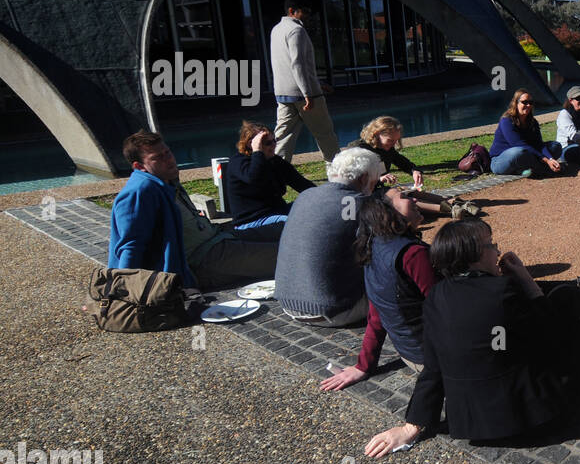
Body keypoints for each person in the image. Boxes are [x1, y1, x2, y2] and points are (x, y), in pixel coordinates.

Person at [365, 220, 580, 454]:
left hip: (474, 424)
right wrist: (524, 279)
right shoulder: (502, 291)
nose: (497, 250)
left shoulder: (436, 297)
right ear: (474, 255)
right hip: (534, 419)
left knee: (566, 298)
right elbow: (555, 337)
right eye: (491, 245)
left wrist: (412, 426)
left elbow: (434, 367)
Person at [109, 131, 283, 292]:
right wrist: (120, 292)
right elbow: (130, 246)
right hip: (204, 260)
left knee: (283, 228)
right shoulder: (139, 191)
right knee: (290, 255)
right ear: (139, 166)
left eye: (167, 153)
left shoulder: (166, 180)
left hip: (220, 238)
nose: (168, 160)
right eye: (157, 158)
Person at [320, 192, 434, 391]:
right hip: (434, 359)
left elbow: (377, 310)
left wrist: (363, 365)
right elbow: (447, 308)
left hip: (411, 354)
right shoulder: (413, 254)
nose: (415, 199)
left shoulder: (373, 244)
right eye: (405, 196)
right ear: (387, 210)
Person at [274, 147, 384, 327]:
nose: (373, 189)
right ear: (363, 178)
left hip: (288, 304)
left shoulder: (305, 196)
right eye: (373, 183)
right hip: (334, 310)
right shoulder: (361, 203)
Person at [349, 115, 480, 219]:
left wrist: (414, 170)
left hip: (379, 190)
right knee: (402, 198)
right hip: (364, 197)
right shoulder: (358, 150)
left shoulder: (386, 148)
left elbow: (401, 161)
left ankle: (453, 202)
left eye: (396, 141)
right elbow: (352, 179)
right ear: (376, 134)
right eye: (390, 140)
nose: (393, 144)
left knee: (410, 190)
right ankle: (451, 210)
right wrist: (379, 179)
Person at [272, 0, 339, 164]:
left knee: (283, 138)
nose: (308, 15)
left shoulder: (276, 29)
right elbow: (298, 63)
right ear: (292, 11)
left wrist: (319, 83)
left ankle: (276, 171)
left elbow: (284, 63)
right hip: (305, 95)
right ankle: (338, 171)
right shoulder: (296, 31)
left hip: (283, 93)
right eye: (305, 11)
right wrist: (308, 92)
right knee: (325, 133)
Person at [224, 121, 315, 229]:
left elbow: (302, 184)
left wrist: (324, 197)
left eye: (274, 141)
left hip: (277, 213)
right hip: (252, 221)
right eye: (267, 143)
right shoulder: (238, 162)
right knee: (295, 224)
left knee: (315, 208)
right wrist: (258, 152)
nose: (273, 145)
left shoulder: (274, 161)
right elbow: (255, 178)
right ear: (250, 144)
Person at [489, 89, 564, 177]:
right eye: (524, 102)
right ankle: (540, 167)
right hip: (501, 160)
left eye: (530, 102)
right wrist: (546, 160)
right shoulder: (507, 121)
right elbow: (519, 144)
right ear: (516, 103)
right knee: (519, 152)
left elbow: (539, 144)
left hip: (527, 154)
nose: (528, 105)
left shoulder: (532, 122)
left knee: (556, 146)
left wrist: (550, 158)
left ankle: (532, 167)